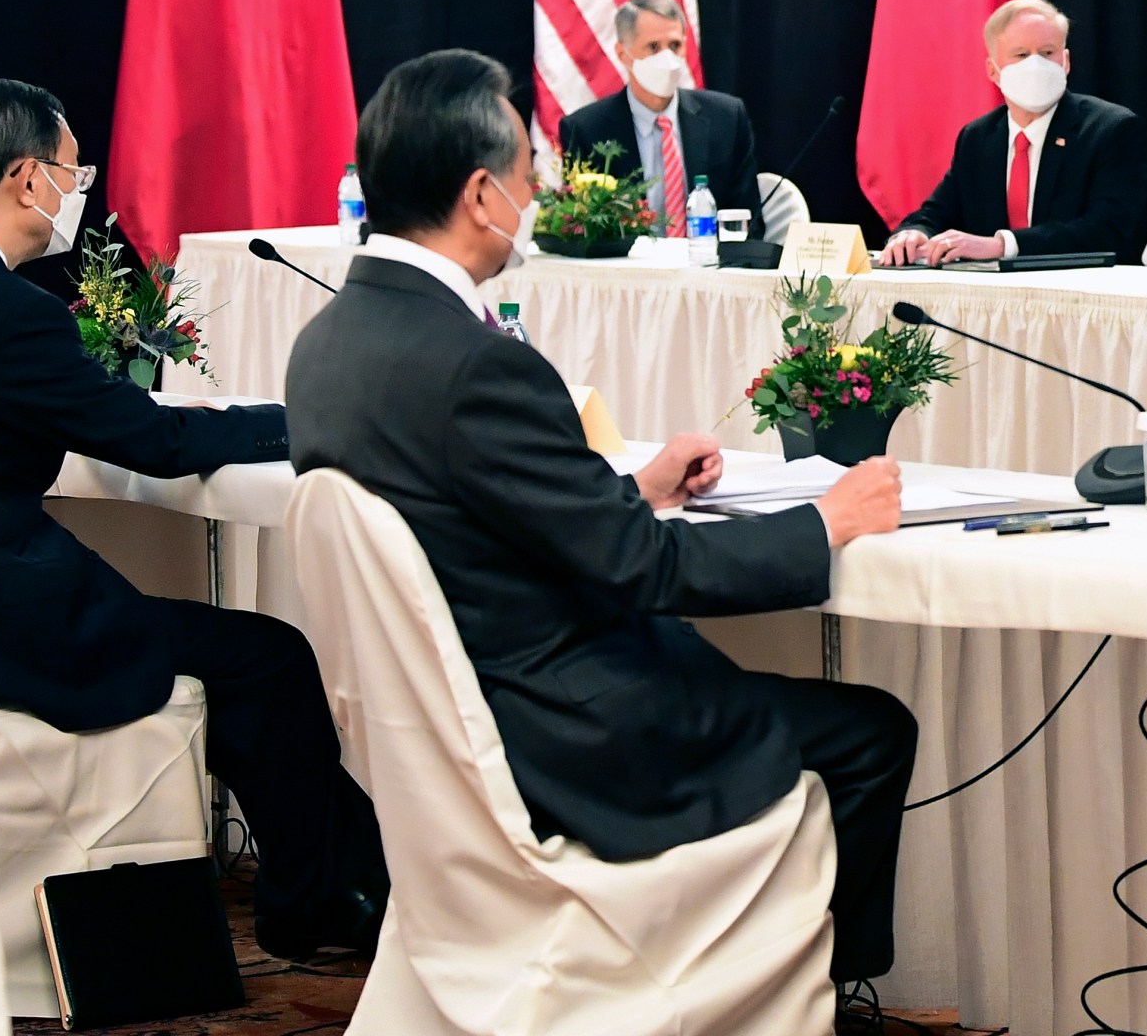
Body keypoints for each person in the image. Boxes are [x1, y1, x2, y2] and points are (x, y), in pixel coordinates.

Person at [283, 49, 917, 993]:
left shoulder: (327, 340)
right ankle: (800, 995)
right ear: (482, 194)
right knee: (870, 731)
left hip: (449, 729)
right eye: (531, 173)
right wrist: (823, 521)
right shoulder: (475, 362)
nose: (540, 191)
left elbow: (474, 517)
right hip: (564, 732)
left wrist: (638, 489)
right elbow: (645, 574)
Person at [0, 79, 387, 960]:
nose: (78, 197)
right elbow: (154, 442)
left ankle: (357, 887)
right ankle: (318, 904)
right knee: (269, 659)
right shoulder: (5, 312)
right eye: (73, 176)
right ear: (26, 177)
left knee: (240, 667)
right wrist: (307, 418)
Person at [876, 0, 1147, 264]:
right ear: (993, 71)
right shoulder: (979, 137)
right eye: (1021, 55)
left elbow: (1105, 231)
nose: (1036, 65)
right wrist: (912, 233)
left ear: (1065, 62)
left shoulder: (1110, 129)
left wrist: (1001, 245)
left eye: (1047, 53)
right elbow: (936, 213)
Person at [556, 0, 763, 229]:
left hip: (708, 261)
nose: (667, 58)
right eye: (653, 47)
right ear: (624, 54)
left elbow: (750, 222)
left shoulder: (726, 118)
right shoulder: (586, 130)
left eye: (674, 46)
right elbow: (581, 227)